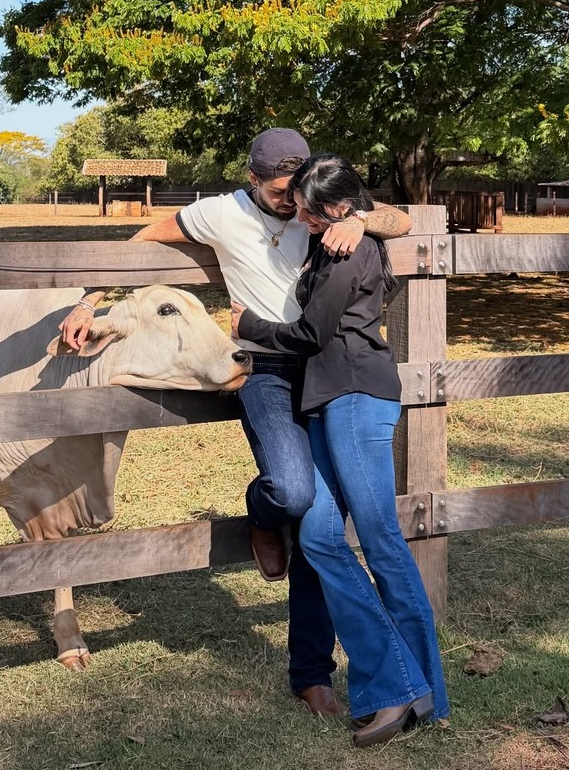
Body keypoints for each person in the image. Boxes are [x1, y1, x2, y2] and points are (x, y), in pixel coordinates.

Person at [58, 129, 413, 718]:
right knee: (293, 492)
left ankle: (311, 671)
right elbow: (143, 237)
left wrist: (363, 222)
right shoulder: (220, 213)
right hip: (267, 370)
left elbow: (401, 221)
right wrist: (88, 300)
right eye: (279, 192)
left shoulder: (319, 202)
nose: (293, 206)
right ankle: (263, 509)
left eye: (298, 193)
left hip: (326, 370)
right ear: (253, 180)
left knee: (323, 527)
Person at [231, 152, 449, 747]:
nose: (297, 218)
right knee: (323, 537)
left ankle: (411, 686)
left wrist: (247, 324)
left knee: (379, 538)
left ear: (335, 209)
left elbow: (310, 335)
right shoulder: (338, 235)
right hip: (328, 402)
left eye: (305, 211)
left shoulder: (346, 251)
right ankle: (408, 682)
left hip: (354, 395)